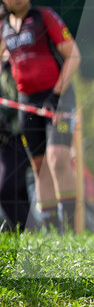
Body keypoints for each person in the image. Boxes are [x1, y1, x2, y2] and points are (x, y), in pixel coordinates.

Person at [0, 0, 81, 233]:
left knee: (58, 158)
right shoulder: (4, 28)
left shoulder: (44, 17)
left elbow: (74, 55)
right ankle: (52, 228)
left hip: (59, 98)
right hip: (27, 102)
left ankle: (70, 226)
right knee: (39, 167)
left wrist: (57, 95)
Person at [0, 55, 31, 232]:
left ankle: (27, 237)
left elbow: (16, 103)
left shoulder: (11, 66)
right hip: (4, 142)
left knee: (6, 190)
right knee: (19, 192)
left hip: (16, 137)